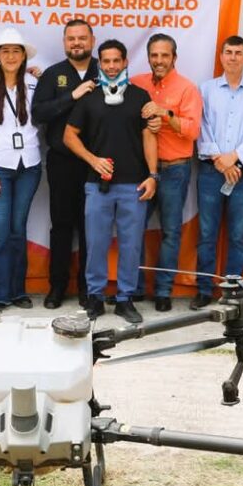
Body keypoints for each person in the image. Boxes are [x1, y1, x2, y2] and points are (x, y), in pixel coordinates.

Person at [63, 39, 158, 325]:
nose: (112, 66)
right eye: (106, 61)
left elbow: (149, 136)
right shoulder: (89, 98)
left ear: (125, 62)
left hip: (134, 185)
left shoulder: (140, 97)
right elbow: (69, 136)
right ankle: (95, 297)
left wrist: (153, 175)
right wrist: (92, 160)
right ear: (100, 63)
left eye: (117, 60)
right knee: (96, 243)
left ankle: (125, 299)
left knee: (131, 245)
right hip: (97, 185)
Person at [0, 28, 42, 312]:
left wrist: (42, 78)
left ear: (23, 56)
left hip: (29, 166)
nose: (11, 56)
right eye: (5, 51)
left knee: (17, 229)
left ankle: (16, 291)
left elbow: (48, 110)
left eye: (16, 51)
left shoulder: (34, 84)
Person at [131, 33, 202, 312]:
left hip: (175, 170)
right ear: (148, 57)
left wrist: (165, 114)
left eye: (165, 55)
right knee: (133, 228)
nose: (159, 60)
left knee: (171, 232)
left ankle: (163, 291)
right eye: (154, 55)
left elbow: (192, 130)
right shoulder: (136, 83)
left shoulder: (187, 88)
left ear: (174, 58)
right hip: (142, 170)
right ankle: (134, 288)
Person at [190, 35, 243, 309]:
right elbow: (201, 125)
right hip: (211, 171)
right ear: (221, 57)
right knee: (207, 234)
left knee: (238, 236)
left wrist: (235, 158)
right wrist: (219, 159)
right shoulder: (206, 89)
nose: (233, 57)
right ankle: (203, 290)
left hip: (241, 174)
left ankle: (233, 292)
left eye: (238, 53)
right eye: (228, 52)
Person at [32, 19, 98, 309]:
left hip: (96, 164)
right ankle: (57, 287)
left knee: (90, 228)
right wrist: (72, 96)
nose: (77, 43)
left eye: (82, 38)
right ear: (64, 42)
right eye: (71, 38)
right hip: (61, 162)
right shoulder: (53, 74)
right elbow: (38, 114)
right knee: (61, 226)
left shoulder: (105, 70)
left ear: (92, 41)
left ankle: (87, 288)